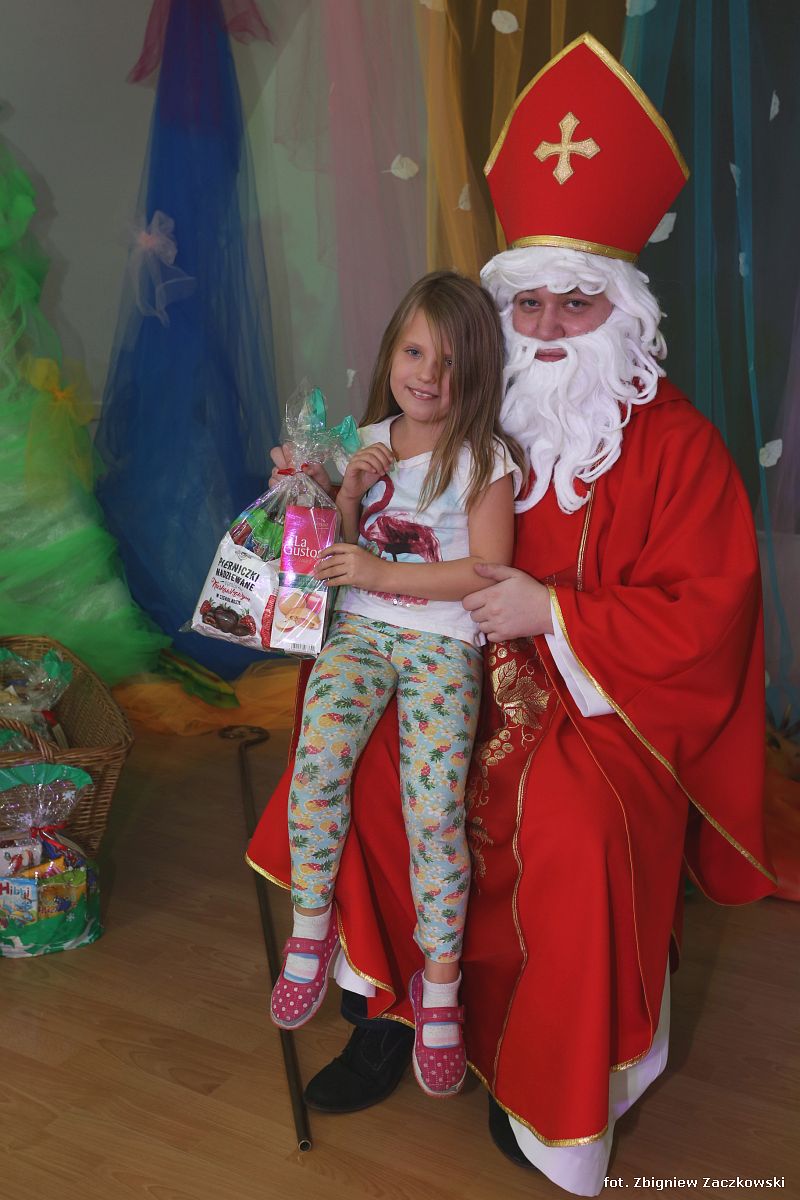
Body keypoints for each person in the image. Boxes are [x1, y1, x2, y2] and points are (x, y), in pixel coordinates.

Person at [248, 34, 775, 1195]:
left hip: (594, 704)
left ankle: (543, 1089)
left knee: (571, 832)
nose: (543, 327)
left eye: (573, 304)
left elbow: (707, 617)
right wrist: (314, 497)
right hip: (429, 650)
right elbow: (366, 507)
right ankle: (385, 1008)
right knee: (353, 756)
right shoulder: (448, 411)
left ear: (620, 310)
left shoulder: (676, 446)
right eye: (523, 301)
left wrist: (555, 613)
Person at [266, 269, 522, 1099]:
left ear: (477, 372)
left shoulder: (485, 459)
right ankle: (310, 927)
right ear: (390, 354)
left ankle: (439, 984)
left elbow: (488, 570)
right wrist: (344, 490)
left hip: (442, 646)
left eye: (449, 362)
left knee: (432, 808)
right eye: (414, 352)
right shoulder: (368, 440)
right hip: (360, 634)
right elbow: (344, 549)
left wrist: (382, 572)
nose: (428, 375)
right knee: (317, 761)